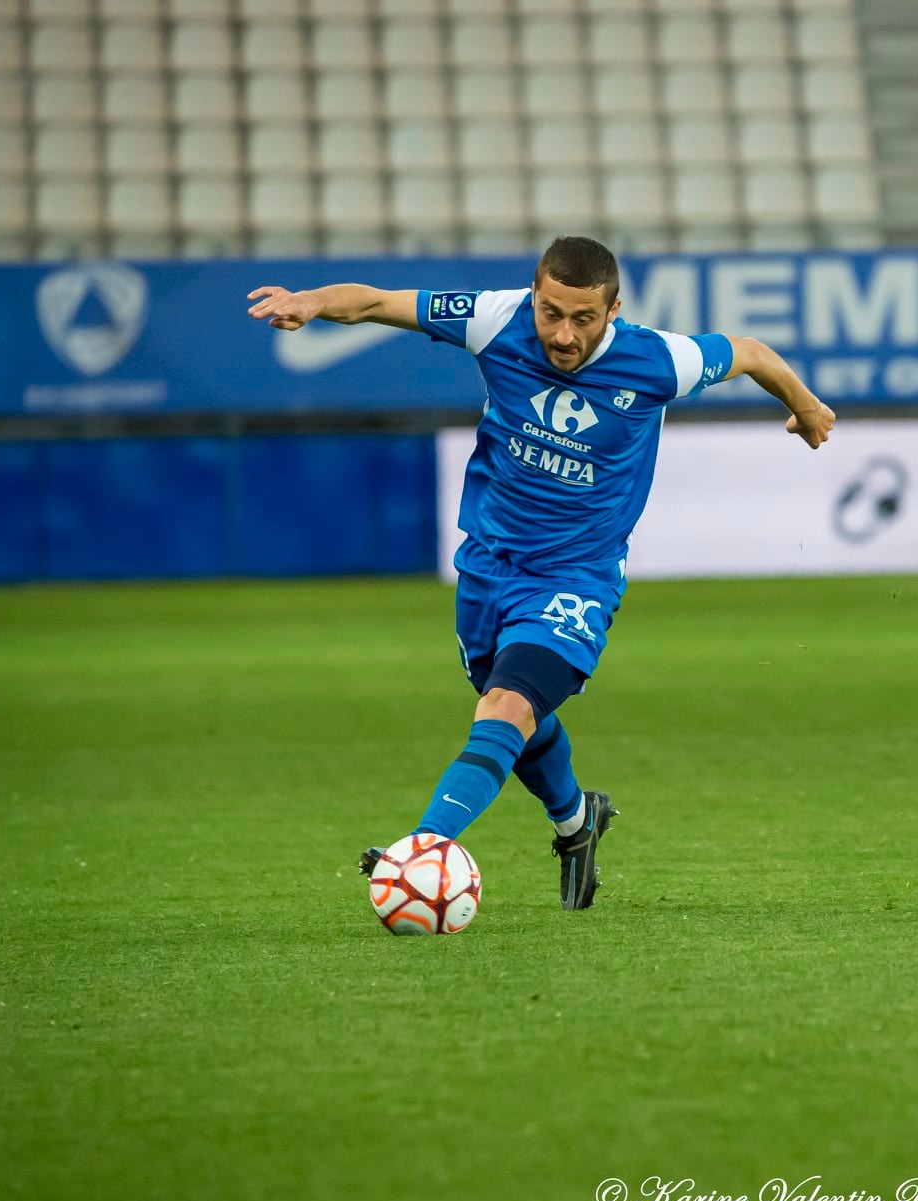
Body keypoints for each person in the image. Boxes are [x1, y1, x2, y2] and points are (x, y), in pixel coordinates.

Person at [248, 236, 835, 907]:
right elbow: (379, 303)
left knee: (508, 706)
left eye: (583, 319)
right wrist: (312, 302)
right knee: (507, 712)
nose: (562, 334)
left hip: (575, 579)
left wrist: (807, 406)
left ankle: (424, 847)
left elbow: (752, 352)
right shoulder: (495, 318)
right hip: (488, 566)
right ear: (534, 294)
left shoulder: (658, 359)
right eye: (551, 312)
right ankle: (578, 822)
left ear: (614, 309)